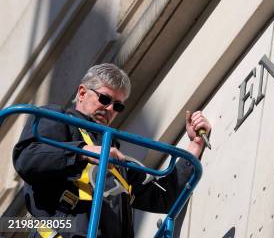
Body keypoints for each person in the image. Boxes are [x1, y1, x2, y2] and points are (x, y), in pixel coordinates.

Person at [12, 63, 211, 237]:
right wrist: (83, 152)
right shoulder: (58, 119)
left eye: (117, 106)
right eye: (105, 99)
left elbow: (165, 197)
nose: (109, 109)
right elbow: (27, 158)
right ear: (82, 93)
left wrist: (195, 144)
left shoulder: (117, 162)